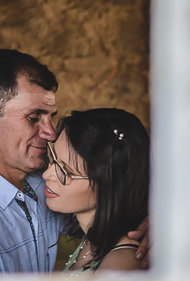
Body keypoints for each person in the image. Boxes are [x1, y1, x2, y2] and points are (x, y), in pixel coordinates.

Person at [0, 49, 150, 274]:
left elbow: (112, 199)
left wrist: (157, 224)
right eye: (34, 117)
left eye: (50, 117)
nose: (50, 133)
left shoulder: (43, 187)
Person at [43, 109, 149, 273]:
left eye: (65, 171)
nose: (47, 174)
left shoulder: (121, 265)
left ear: (108, 186)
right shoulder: (92, 240)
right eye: (53, 157)